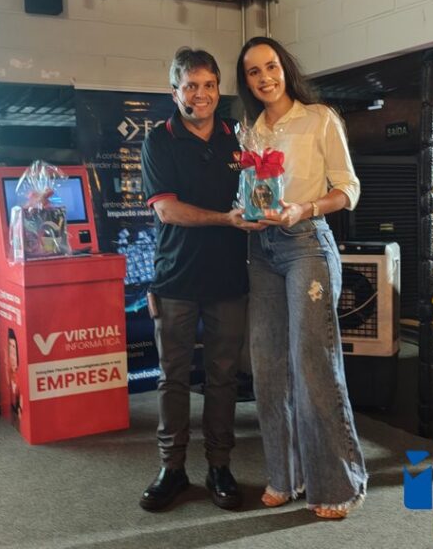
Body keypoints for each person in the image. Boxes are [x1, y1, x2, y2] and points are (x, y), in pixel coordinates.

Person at [236, 36, 367, 520]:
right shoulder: (251, 131)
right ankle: (284, 476)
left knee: (313, 364)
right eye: (253, 72)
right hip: (261, 248)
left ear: (285, 68)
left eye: (270, 66)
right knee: (268, 366)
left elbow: (348, 189)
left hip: (307, 243)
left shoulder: (319, 118)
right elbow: (252, 189)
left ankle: (337, 484)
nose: (264, 78)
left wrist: (303, 208)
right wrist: (243, 212)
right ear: (246, 81)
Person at [139, 47, 261, 512]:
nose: (201, 94)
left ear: (217, 89)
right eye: (191, 86)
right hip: (175, 279)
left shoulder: (238, 140)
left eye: (209, 85)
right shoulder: (159, 141)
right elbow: (168, 211)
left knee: (223, 377)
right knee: (172, 378)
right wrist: (226, 219)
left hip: (229, 279)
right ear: (175, 92)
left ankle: (219, 466)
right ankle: (171, 469)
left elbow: (259, 194)